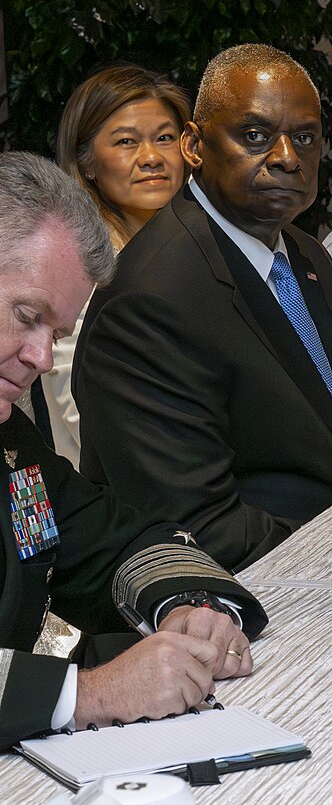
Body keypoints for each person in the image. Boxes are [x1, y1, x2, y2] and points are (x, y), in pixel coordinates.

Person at [75, 45, 332, 569]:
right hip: (253, 599)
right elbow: (195, 527)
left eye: (304, 138)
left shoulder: (306, 255)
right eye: (256, 136)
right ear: (193, 145)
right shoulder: (149, 301)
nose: (287, 156)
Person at [0, 150, 266, 744]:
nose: (42, 358)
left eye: (57, 335)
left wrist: (188, 607)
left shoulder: (10, 441)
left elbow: (113, 536)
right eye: (26, 316)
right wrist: (89, 695)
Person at [38, 64, 193, 464]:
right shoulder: (77, 268)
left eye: (165, 138)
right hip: (127, 491)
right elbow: (80, 415)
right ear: (86, 163)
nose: (151, 158)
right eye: (126, 141)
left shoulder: (201, 250)